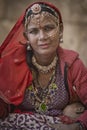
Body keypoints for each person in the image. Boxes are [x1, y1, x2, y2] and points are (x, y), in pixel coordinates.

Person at [0, 1, 87, 130]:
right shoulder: (14, 63)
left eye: (48, 28)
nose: (42, 37)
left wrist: (77, 125)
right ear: (26, 36)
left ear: (60, 29)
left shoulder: (72, 64)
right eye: (34, 31)